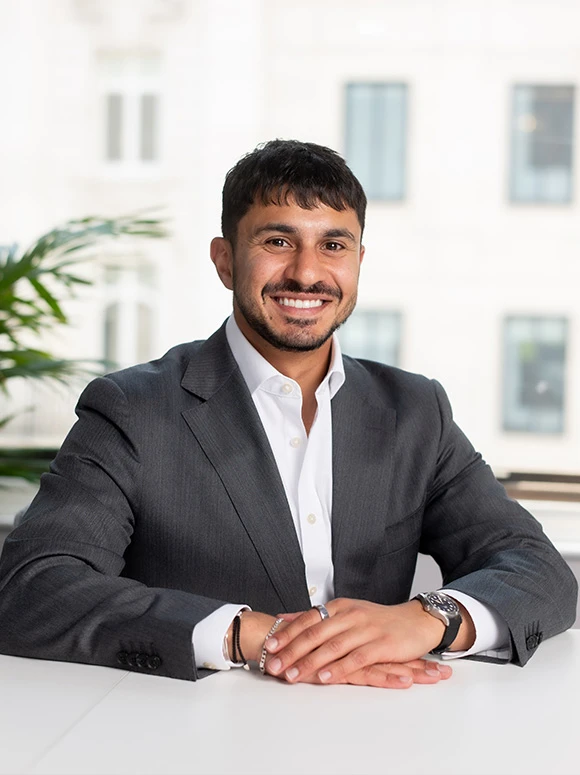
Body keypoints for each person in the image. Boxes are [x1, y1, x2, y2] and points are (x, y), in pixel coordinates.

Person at [0, 140, 576, 689]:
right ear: (225, 260)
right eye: (277, 241)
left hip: (385, 731)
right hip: (190, 738)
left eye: (333, 245)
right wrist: (250, 634)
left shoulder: (415, 411)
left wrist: (427, 618)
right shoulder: (133, 410)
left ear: (357, 261)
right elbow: (32, 588)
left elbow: (537, 569)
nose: (307, 272)